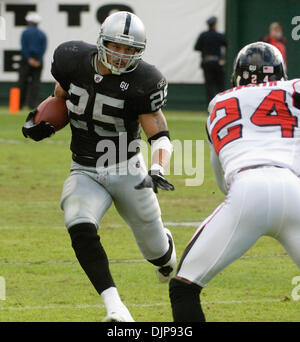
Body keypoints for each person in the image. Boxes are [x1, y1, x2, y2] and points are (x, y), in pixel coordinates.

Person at [22, 11, 177, 322]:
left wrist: (158, 170)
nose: (122, 55)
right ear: (102, 42)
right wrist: (42, 121)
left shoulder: (144, 80)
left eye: (131, 49)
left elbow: (160, 136)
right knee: (78, 223)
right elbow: (60, 100)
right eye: (117, 46)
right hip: (84, 168)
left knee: (156, 253)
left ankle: (167, 254)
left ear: (140, 52)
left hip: (127, 169)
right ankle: (116, 308)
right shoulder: (71, 60)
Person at [169, 41, 300, 322]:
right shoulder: (293, 89)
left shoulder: (218, 103)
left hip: (246, 189)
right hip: (294, 190)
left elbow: (221, 177)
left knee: (184, 289)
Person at [194, 16, 227, 106]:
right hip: (218, 63)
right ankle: (222, 104)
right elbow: (226, 43)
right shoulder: (219, 35)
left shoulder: (203, 35)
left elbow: (196, 47)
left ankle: (210, 107)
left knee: (209, 86)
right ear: (215, 25)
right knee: (220, 85)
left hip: (207, 63)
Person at [18, 12, 47, 109]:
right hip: (38, 60)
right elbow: (43, 48)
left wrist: (29, 59)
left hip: (26, 59)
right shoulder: (42, 34)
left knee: (22, 82)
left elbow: (23, 47)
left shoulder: (25, 32)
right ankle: (33, 105)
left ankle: (20, 104)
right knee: (35, 83)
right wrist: (38, 60)